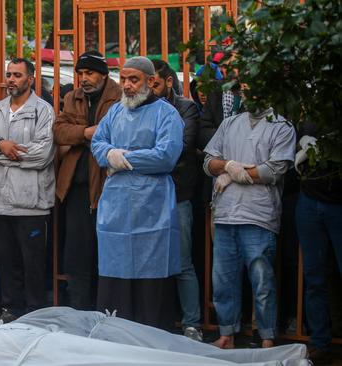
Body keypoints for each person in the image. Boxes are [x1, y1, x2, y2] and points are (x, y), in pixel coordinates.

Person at [91, 56, 183, 330]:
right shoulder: (115, 112)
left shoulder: (167, 114)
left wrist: (124, 158)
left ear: (150, 81)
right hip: (116, 206)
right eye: (124, 79)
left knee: (150, 275)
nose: (128, 86)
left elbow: (166, 156)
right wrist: (109, 153)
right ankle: (114, 336)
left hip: (152, 207)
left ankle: (150, 338)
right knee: (115, 273)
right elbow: (98, 144)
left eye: (134, 80)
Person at [204, 106, 295, 349]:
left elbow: (274, 170)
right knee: (223, 280)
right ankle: (226, 334)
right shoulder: (230, 123)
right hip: (225, 212)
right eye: (243, 87)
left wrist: (233, 172)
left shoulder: (282, 126)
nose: (247, 91)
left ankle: (266, 337)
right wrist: (228, 164)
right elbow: (209, 162)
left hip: (259, 214)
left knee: (262, 281)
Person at [0, 58, 55, 321]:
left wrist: (3, 153)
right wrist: (0, 145)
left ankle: (34, 313)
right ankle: (10, 310)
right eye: (9, 74)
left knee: (32, 264)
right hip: (1, 201)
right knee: (6, 261)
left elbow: (42, 154)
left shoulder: (43, 110)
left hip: (31, 203)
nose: (11, 79)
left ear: (30, 79)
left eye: (17, 75)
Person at [53, 51, 121, 310]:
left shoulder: (119, 98)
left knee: (106, 251)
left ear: (103, 75)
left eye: (89, 73)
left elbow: (119, 133)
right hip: (76, 187)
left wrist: (88, 135)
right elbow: (59, 131)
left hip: (108, 185)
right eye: (80, 73)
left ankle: (106, 309)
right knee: (77, 253)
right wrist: (85, 132)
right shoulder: (73, 97)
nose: (84, 78)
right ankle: (79, 309)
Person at [150, 59, 202, 340]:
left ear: (169, 82)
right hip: (148, 196)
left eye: (154, 83)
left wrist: (146, 156)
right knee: (151, 260)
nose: (149, 88)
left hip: (178, 193)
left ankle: (191, 323)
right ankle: (158, 320)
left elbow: (178, 147)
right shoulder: (139, 108)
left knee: (182, 262)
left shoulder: (186, 107)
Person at [293, 124, 341, 363]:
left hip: (337, 201)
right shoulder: (310, 110)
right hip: (309, 199)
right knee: (313, 276)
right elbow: (298, 139)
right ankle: (320, 342)